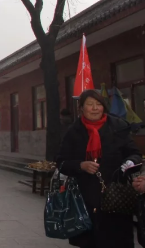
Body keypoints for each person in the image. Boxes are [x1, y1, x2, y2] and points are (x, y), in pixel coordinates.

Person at [56, 89, 142, 248]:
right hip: (85, 198)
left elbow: (135, 154)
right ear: (81, 108)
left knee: (118, 240)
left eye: (99, 104)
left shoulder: (118, 126)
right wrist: (80, 165)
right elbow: (61, 162)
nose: (95, 108)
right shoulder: (73, 132)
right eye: (90, 104)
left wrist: (129, 163)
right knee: (91, 241)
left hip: (117, 195)